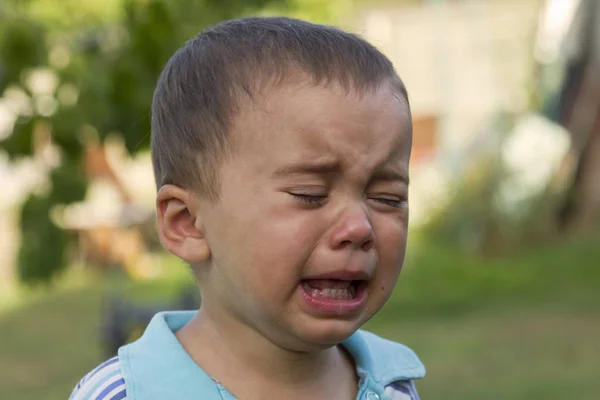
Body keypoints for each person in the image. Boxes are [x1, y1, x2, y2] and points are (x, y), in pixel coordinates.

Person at [70, 16, 424, 400]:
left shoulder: (391, 384)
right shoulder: (126, 394)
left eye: (387, 198)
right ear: (187, 222)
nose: (359, 227)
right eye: (310, 193)